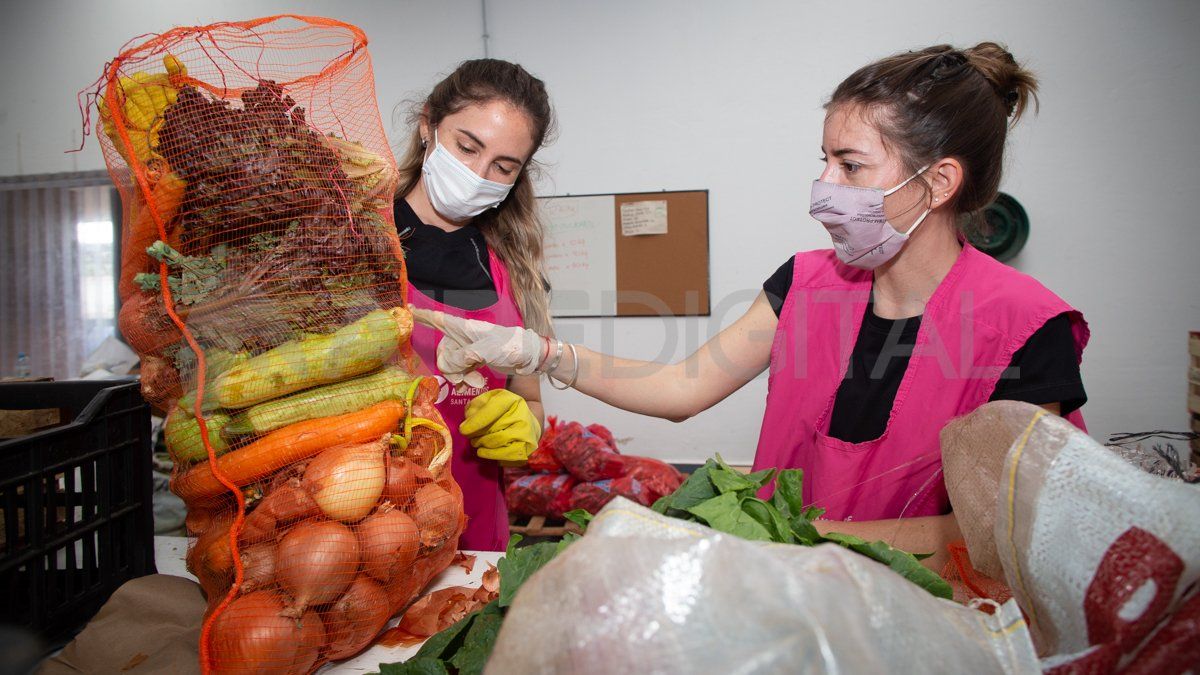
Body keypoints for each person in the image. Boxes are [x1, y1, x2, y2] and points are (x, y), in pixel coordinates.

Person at [414, 43, 1088, 568]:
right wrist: (544, 355)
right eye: (823, 160)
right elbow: (683, 386)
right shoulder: (804, 283)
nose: (823, 186)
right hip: (786, 594)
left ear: (938, 181)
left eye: (850, 166)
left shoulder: (1027, 327)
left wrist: (794, 534)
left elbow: (1003, 533)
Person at [394, 58, 555, 551]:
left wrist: (523, 426)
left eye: (502, 167)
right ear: (428, 124)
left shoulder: (517, 268)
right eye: (467, 147)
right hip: (368, 524)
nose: (477, 174)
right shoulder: (353, 239)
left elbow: (530, 398)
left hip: (476, 525)